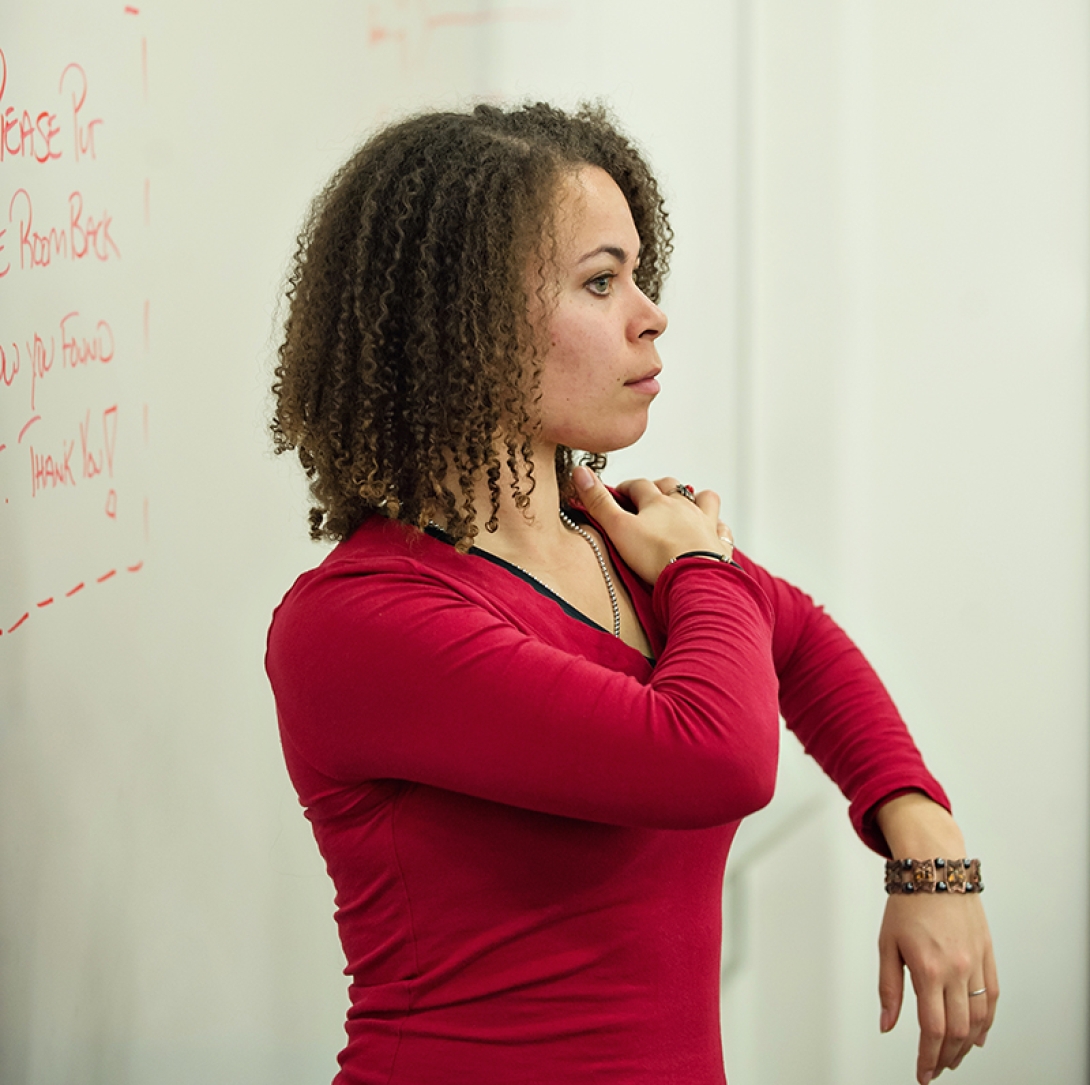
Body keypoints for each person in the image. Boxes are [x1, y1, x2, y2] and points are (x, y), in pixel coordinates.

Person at [265, 102, 997, 1085]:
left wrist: (926, 842)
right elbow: (713, 756)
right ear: (462, 320)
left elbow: (802, 639)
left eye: (639, 275)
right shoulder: (361, 620)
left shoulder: (622, 538)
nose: (649, 313)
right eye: (601, 281)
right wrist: (703, 566)